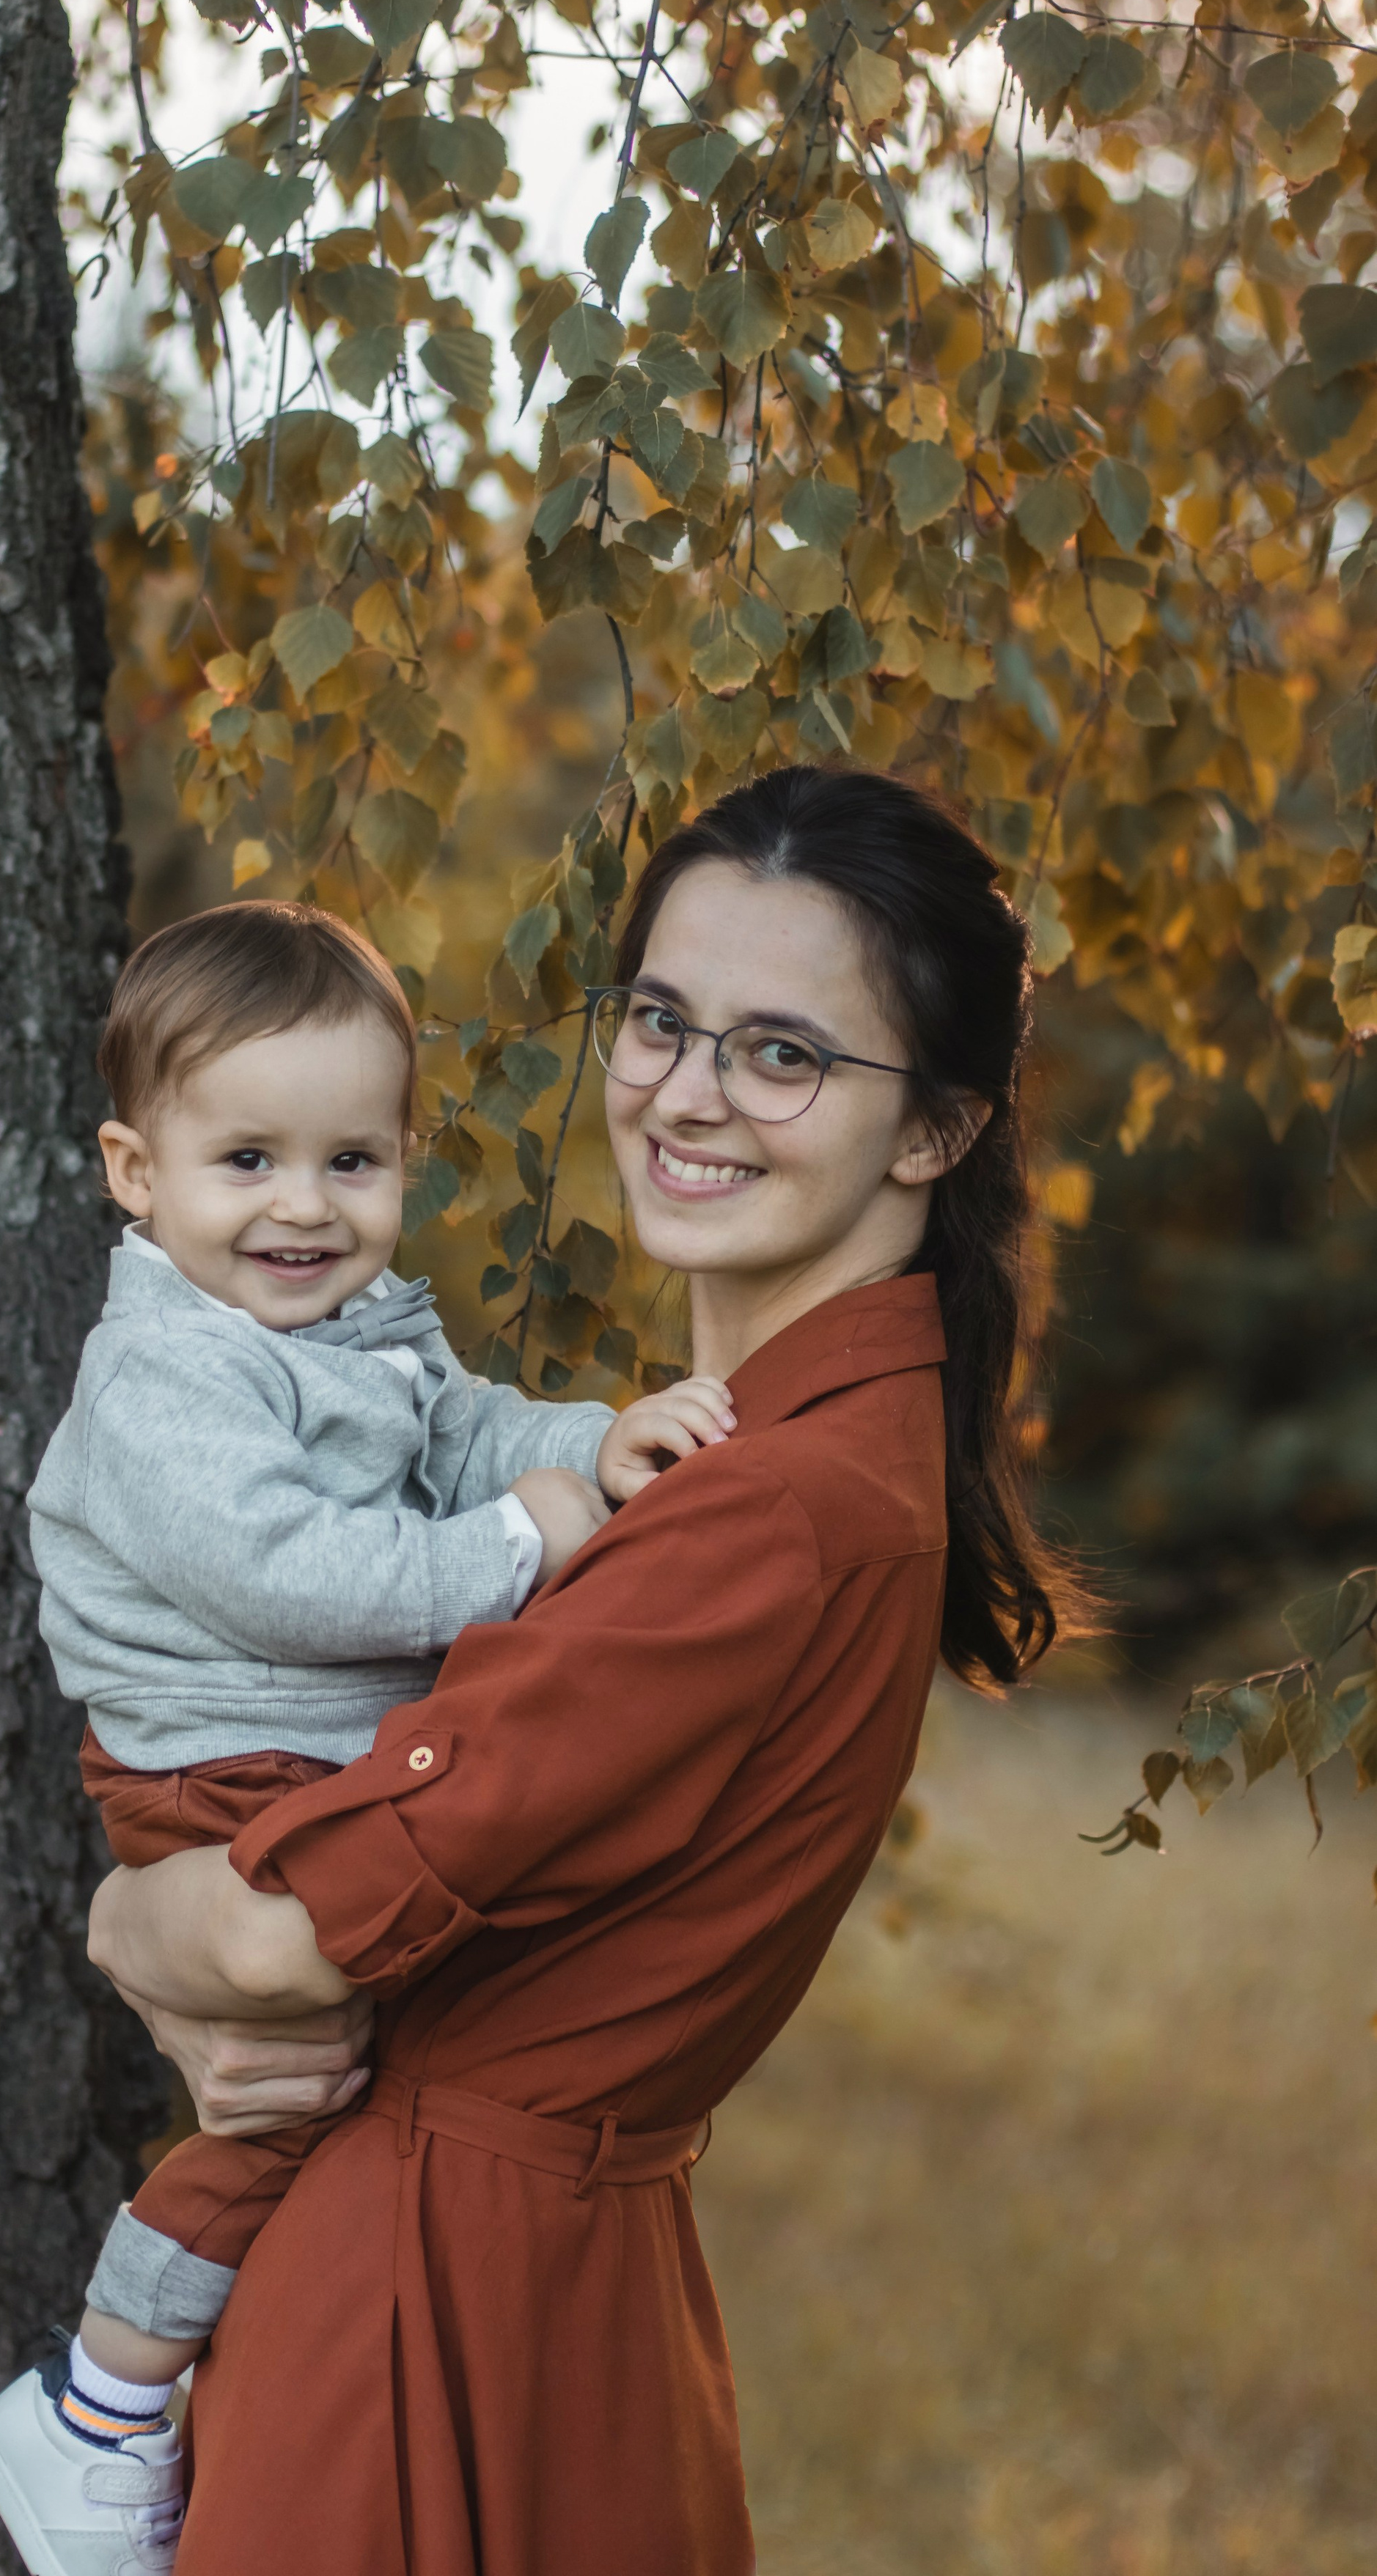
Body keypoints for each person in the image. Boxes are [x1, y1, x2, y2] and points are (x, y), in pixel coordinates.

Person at [74, 765, 1084, 2576]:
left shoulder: (771, 1512)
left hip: (433, 2306)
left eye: (783, 1053)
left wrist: (123, 1924)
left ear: (929, 1131)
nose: (686, 1095)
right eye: (660, 1022)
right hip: (516, 2283)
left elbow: (283, 1941)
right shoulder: (781, 1452)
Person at [0, 900, 736, 2575]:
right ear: (132, 1170)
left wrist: (602, 1446)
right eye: (245, 1160)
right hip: (219, 1763)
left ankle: (111, 2401)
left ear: (402, 1162)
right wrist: (516, 1553)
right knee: (315, 2095)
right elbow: (288, 1578)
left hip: (310, 1757)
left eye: (352, 1163)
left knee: (311, 2094)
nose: (303, 1208)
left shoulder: (354, 1326)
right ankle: (97, 2406)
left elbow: (460, 1431)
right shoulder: (167, 1380)